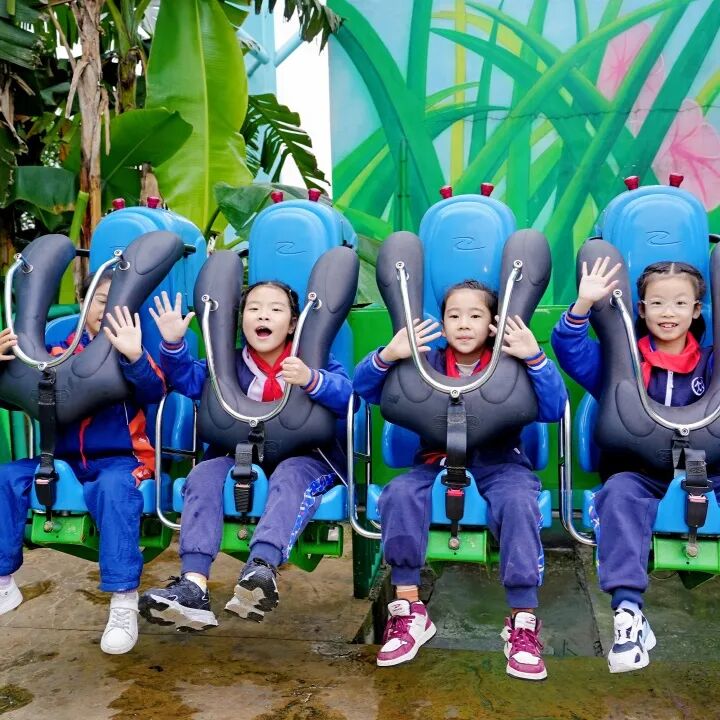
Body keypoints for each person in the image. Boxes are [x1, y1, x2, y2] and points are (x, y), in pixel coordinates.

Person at [353, 279, 566, 679]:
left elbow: (554, 408)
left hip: (501, 463)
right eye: (454, 316)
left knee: (518, 502)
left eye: (475, 315)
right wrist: (387, 355)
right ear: (442, 322)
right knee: (398, 494)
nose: (464, 324)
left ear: (492, 324)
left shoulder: (510, 362)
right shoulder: (426, 362)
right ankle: (409, 609)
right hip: (435, 461)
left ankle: (522, 621)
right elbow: (363, 388)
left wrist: (536, 358)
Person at [139, 283, 352, 630]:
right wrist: (174, 344)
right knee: (203, 475)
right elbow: (190, 382)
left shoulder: (312, 360)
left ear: (293, 324)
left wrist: (312, 379)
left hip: (307, 459)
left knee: (290, 475)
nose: (263, 315)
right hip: (239, 454)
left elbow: (348, 399)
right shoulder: (229, 364)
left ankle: (261, 569)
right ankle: (193, 586)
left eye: (275, 309)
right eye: (254, 309)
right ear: (241, 321)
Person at [551, 257, 720, 673]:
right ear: (641, 309)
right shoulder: (621, 362)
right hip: (640, 476)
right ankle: (628, 615)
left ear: (696, 309)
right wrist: (583, 305)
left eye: (679, 303)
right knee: (618, 494)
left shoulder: (711, 362)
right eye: (657, 303)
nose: (668, 313)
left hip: (710, 475)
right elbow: (571, 351)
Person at [0, 268, 166, 654]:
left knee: (114, 488)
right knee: (6, 476)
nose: (106, 311)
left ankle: (123, 600)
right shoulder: (57, 347)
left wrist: (134, 356)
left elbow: (156, 390)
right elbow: (17, 394)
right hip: (60, 460)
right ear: (82, 302)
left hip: (119, 459)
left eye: (115, 303)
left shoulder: (131, 344)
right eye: (99, 301)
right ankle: (4, 582)